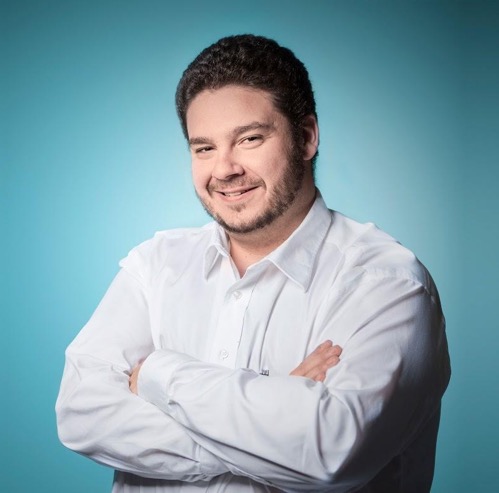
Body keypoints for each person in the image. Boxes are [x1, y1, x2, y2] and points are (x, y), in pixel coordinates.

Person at [56, 34, 451, 493]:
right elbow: (80, 415)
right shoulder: (155, 265)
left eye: (249, 139)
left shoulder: (388, 283)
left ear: (306, 137)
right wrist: (273, 422)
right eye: (204, 148)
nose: (224, 169)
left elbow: (331, 451)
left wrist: (159, 376)